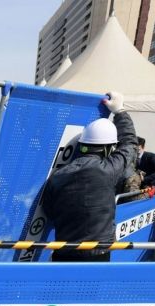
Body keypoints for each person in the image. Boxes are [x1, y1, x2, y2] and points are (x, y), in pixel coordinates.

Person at [42, 91, 137, 262]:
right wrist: (120, 112)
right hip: (97, 253)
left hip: (63, 251)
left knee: (62, 290)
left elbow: (49, 211)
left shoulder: (57, 176)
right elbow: (130, 144)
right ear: (108, 148)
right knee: (91, 290)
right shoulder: (108, 169)